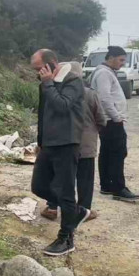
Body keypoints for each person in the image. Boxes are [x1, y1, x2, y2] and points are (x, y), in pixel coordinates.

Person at [30, 50, 91, 256]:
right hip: (48, 144)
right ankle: (77, 211)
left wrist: (48, 83)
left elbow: (63, 106)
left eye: (39, 69)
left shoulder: (73, 81)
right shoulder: (44, 84)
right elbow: (43, 115)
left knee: (65, 192)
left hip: (67, 143)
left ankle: (66, 239)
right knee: (38, 186)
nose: (37, 73)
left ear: (51, 64)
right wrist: (40, 141)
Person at [42, 62, 107, 222]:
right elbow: (102, 120)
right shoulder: (90, 94)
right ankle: (83, 211)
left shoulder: (54, 93)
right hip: (85, 146)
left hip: (61, 144)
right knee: (85, 180)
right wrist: (92, 131)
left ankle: (52, 207)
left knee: (59, 178)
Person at [91, 46, 139, 202]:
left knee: (107, 152)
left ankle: (106, 185)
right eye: (121, 60)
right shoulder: (103, 73)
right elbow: (104, 98)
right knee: (118, 153)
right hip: (110, 120)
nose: (122, 63)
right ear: (111, 58)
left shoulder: (106, 72)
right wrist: (116, 117)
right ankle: (118, 189)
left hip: (108, 120)